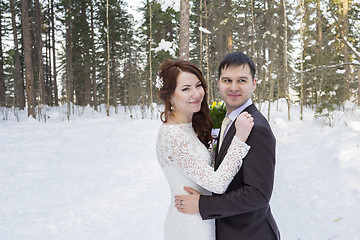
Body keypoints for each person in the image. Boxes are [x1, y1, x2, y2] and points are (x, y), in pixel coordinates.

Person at [174, 52, 281, 240]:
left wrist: (203, 205)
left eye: (241, 80)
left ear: (253, 84)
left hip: (250, 233)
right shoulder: (230, 119)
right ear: (218, 83)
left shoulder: (256, 128)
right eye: (227, 80)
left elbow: (258, 194)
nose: (233, 87)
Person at [155, 59, 254, 240]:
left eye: (198, 85)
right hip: (189, 226)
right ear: (170, 96)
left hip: (202, 218)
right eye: (186, 89)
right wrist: (239, 139)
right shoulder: (173, 136)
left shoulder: (190, 125)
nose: (196, 94)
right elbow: (217, 184)